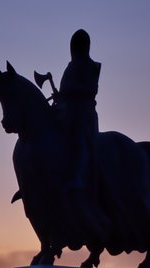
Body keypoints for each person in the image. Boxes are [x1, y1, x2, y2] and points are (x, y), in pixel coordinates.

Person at [56, 29, 100, 191]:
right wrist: (60, 96)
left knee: (79, 138)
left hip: (83, 112)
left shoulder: (92, 67)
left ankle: (79, 176)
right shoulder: (70, 67)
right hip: (65, 109)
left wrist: (66, 94)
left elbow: (89, 89)